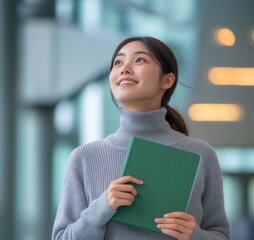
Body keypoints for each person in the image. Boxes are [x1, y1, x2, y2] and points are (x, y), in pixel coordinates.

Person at [52, 36, 230, 240]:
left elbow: (221, 235)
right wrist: (103, 206)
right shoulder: (84, 157)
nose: (124, 69)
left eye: (139, 60)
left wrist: (195, 235)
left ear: (167, 80)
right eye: (118, 62)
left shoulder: (201, 154)